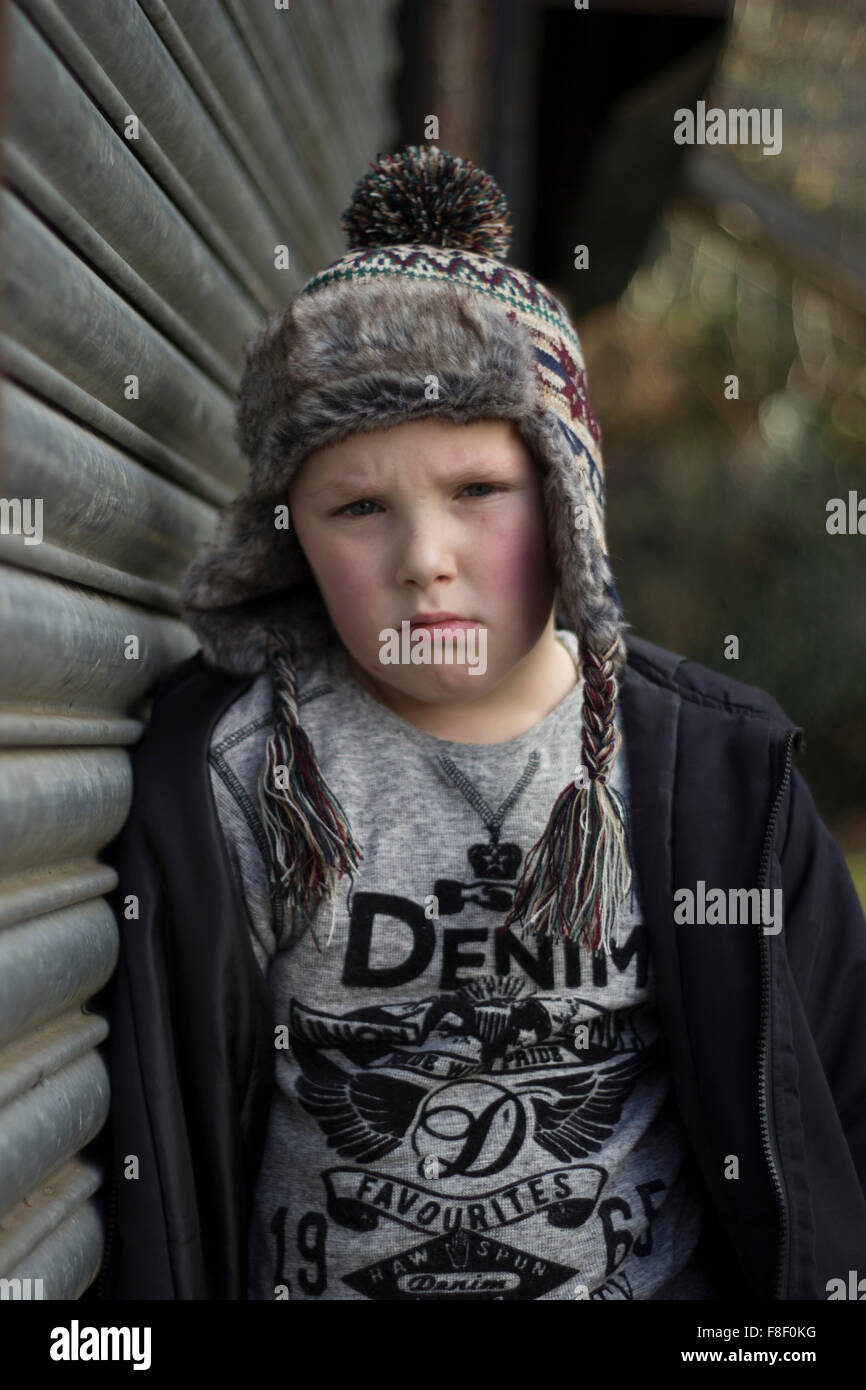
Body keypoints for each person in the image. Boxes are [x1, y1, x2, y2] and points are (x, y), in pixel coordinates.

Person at [93, 145, 866, 1301]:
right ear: (288, 538)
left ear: (565, 499)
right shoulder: (233, 777)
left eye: (476, 491)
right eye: (357, 507)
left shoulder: (714, 771)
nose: (423, 561)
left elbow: (832, 1128)